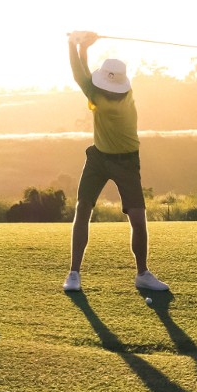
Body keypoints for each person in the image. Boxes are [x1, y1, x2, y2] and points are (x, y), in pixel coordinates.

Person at [63, 31, 169, 293]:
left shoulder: (100, 97)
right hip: (99, 157)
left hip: (125, 161)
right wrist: (83, 47)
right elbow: (84, 75)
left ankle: (142, 274)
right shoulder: (124, 91)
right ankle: (74, 273)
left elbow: (80, 75)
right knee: (83, 208)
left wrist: (75, 44)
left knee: (136, 218)